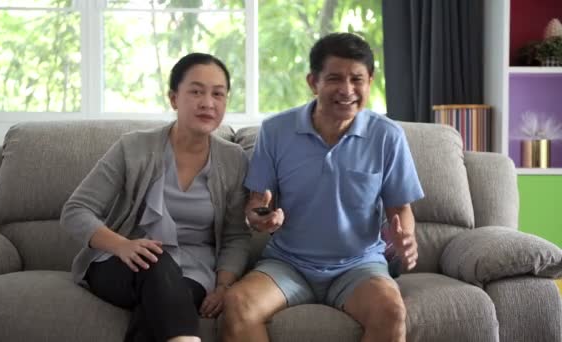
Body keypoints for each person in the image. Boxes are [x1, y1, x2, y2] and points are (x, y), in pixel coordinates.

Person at [222, 32, 424, 342]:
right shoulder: (276, 131)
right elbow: (257, 201)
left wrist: (405, 239)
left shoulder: (388, 136)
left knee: (391, 311)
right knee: (238, 304)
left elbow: (401, 211)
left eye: (357, 79)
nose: (347, 90)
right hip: (288, 263)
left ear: (370, 81)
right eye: (334, 79)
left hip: (359, 266)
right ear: (312, 81)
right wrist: (259, 218)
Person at [60, 52, 251, 342]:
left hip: (193, 272)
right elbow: (76, 210)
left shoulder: (234, 159)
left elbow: (237, 234)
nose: (208, 103)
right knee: (156, 261)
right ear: (174, 98)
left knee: (161, 307)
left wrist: (224, 286)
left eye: (218, 94)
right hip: (122, 262)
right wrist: (122, 245)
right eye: (196, 91)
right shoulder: (134, 147)